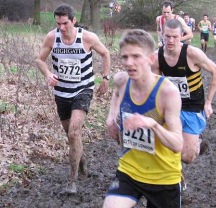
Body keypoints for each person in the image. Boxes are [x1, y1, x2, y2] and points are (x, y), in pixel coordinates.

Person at [36, 3, 111, 194]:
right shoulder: (52, 37)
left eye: (65, 23)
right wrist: (47, 74)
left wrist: (105, 78)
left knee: (73, 133)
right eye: (58, 24)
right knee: (70, 135)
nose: (62, 28)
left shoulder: (87, 37)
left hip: (83, 89)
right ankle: (82, 163)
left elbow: (105, 54)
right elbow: (39, 59)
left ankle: (72, 181)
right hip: (61, 92)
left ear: (74, 21)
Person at [103, 29, 183, 208]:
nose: (129, 63)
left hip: (164, 177)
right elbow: (116, 94)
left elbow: (178, 144)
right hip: (130, 170)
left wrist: (152, 124)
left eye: (136, 56)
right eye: (125, 57)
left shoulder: (167, 92)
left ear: (151, 59)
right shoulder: (122, 80)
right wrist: (111, 117)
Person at [152, 19, 216, 167]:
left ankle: (198, 140)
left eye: (175, 37)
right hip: (171, 106)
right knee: (159, 142)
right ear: (162, 35)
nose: (171, 40)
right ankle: (173, 178)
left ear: (182, 35)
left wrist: (208, 102)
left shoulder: (192, 53)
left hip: (192, 106)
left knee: (187, 157)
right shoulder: (157, 57)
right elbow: (155, 85)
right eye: (167, 36)